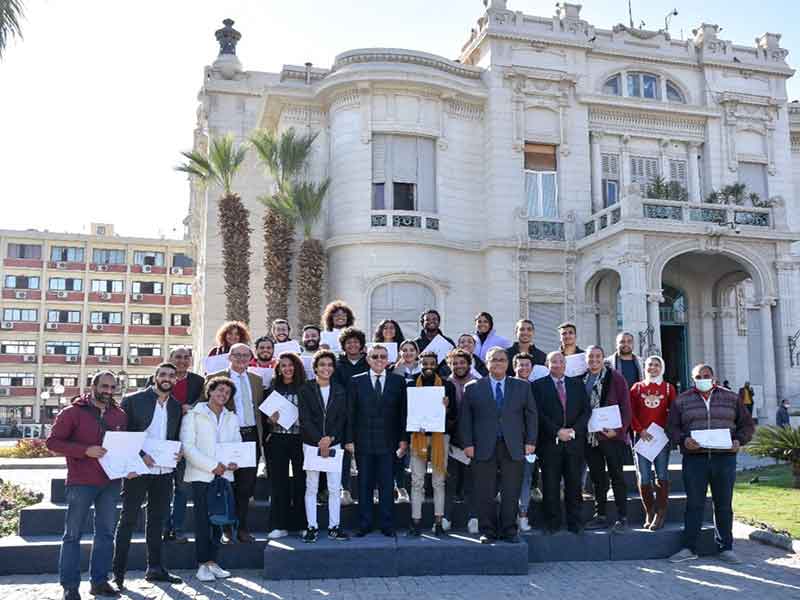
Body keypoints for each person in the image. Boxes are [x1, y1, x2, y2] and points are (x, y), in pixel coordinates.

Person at [46, 371, 130, 600]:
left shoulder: (119, 415)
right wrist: (85, 451)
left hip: (111, 482)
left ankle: (99, 582)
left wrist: (128, 466)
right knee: (72, 535)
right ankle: (70, 587)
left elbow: (122, 447)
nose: (109, 391)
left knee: (105, 534)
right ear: (93, 386)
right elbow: (52, 443)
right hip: (81, 482)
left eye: (113, 387)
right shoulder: (72, 412)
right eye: (104, 386)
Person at [668, 363, 755, 564]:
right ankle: (689, 547)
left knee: (723, 504)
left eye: (706, 375)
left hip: (724, 459)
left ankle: (725, 547)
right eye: (699, 376)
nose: (703, 379)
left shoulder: (731, 398)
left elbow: (747, 425)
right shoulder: (682, 400)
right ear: (693, 379)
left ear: (713, 377)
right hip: (695, 459)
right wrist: (683, 440)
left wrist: (738, 441)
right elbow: (671, 427)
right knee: (694, 504)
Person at [112, 364, 183, 589]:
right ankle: (118, 574)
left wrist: (179, 451)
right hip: (136, 468)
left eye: (171, 376)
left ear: (176, 381)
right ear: (155, 377)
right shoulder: (133, 400)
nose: (167, 378)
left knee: (157, 520)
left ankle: (155, 569)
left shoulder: (176, 406)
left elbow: (174, 435)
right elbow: (121, 433)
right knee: (128, 520)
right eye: (162, 374)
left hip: (163, 471)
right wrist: (141, 454)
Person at [461, 347, 537, 544]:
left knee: (511, 491)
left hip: (513, 446)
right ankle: (488, 530)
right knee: (485, 492)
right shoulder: (472, 387)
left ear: (508, 363)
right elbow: (465, 419)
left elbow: (531, 416)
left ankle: (509, 531)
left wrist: (530, 441)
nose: (498, 363)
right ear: (486, 363)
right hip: (483, 446)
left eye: (502, 360)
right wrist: (468, 444)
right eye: (494, 360)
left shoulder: (522, 387)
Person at [180, 376, 240, 582]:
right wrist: (211, 466)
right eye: (219, 390)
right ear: (210, 391)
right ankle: (202, 565)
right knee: (203, 521)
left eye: (227, 392)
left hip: (224, 475)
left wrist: (234, 462)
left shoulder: (231, 417)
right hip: (202, 475)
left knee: (218, 520)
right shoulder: (194, 415)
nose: (222, 395)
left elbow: (236, 443)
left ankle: (213, 563)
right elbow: (187, 447)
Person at [207, 343, 265, 543]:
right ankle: (226, 528)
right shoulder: (215, 378)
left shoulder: (256, 380)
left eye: (245, 355)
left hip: (251, 437)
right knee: (226, 482)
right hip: (227, 437)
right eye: (237, 355)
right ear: (229, 357)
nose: (241, 358)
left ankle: (242, 527)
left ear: (251, 358)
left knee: (246, 486)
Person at [349, 344, 409, 537]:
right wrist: (349, 439)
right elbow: (350, 413)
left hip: (388, 442)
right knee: (364, 484)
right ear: (368, 359)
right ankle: (365, 524)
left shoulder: (398, 382)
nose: (379, 360)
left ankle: (387, 524)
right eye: (375, 356)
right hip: (363, 442)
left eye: (383, 356)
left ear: (388, 359)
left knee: (386, 484)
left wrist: (403, 440)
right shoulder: (356, 381)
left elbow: (403, 413)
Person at [533, 351, 590, 535]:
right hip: (550, 443)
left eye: (560, 361)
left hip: (574, 443)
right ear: (547, 365)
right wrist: (557, 431)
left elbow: (586, 411)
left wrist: (573, 431)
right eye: (553, 362)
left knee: (574, 485)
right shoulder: (538, 386)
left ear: (565, 364)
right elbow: (538, 414)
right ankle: (552, 523)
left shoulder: (577, 384)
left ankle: (576, 523)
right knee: (550, 485)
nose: (557, 364)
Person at [299, 350, 352, 542]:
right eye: (322, 365)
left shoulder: (340, 390)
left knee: (334, 487)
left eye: (329, 365)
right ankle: (311, 526)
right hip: (311, 444)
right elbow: (304, 418)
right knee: (311, 486)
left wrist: (330, 438)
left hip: (334, 444)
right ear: (315, 368)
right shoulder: (305, 389)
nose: (326, 368)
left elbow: (342, 418)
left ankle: (334, 527)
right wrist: (318, 440)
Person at [406, 351, 457, 537]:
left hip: (439, 437)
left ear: (437, 365)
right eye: (424, 363)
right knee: (417, 481)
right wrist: (413, 425)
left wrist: (446, 407)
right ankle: (416, 522)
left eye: (432, 363)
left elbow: (454, 416)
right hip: (417, 436)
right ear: (419, 363)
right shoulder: (411, 385)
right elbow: (406, 413)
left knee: (438, 481)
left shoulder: (447, 386)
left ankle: (438, 522)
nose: (428, 366)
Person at [582, 345, 632, 533]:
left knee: (616, 476)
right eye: (590, 357)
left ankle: (622, 517)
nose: (594, 360)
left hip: (611, 436)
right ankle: (600, 515)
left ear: (603, 358)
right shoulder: (582, 379)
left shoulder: (615, 377)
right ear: (586, 359)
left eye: (597, 356)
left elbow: (625, 406)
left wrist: (618, 431)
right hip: (591, 437)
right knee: (597, 478)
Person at [160, 346, 205, 543]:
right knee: (161, 487)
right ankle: (161, 527)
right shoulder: (160, 377)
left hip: (187, 441)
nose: (182, 360)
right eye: (178, 357)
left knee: (182, 488)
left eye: (187, 357)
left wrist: (192, 408)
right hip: (162, 441)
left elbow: (203, 404)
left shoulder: (199, 381)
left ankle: (177, 528)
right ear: (170, 358)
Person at [264, 352, 308, 539]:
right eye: (283, 366)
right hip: (278, 440)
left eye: (290, 365)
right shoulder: (272, 389)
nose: (287, 368)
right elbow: (265, 420)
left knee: (301, 482)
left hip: (300, 440)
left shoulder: (306, 389)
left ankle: (302, 524)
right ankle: (278, 525)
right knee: (278, 483)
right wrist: (270, 420)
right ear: (279, 369)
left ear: (296, 367)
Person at [630, 355, 676, 530]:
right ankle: (649, 510)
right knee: (644, 477)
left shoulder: (668, 388)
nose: (653, 368)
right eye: (650, 365)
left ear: (661, 368)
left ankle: (661, 512)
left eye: (657, 365)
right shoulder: (637, 388)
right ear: (645, 367)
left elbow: (674, 412)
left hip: (661, 439)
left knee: (662, 475)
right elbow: (630, 412)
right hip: (642, 438)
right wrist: (639, 430)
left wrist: (668, 431)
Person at [332, 327, 369, 506]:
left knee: (364, 452)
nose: (352, 345)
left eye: (356, 342)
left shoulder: (369, 362)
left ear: (361, 345)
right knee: (344, 452)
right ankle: (344, 490)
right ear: (344, 346)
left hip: (365, 413)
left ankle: (366, 491)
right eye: (349, 342)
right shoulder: (337, 365)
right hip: (344, 413)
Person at [445, 348, 480, 533]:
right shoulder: (444, 384)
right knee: (450, 480)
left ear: (469, 363)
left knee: (471, 482)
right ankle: (446, 518)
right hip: (451, 440)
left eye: (462, 362)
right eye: (455, 363)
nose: (459, 366)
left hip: (473, 440)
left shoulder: (478, 383)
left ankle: (473, 518)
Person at [512, 353, 540, 533]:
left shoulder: (537, 387)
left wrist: (532, 440)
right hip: (510, 441)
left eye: (527, 365)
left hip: (531, 441)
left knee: (526, 479)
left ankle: (523, 515)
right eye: (520, 365)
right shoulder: (508, 386)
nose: (524, 368)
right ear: (514, 367)